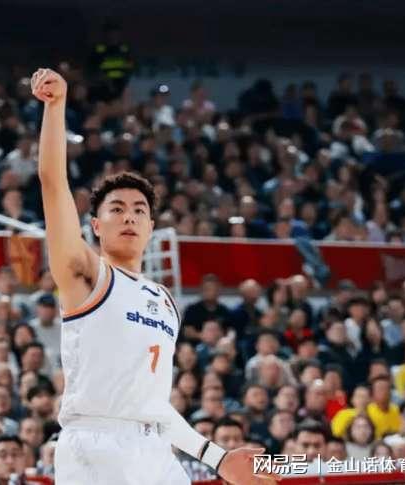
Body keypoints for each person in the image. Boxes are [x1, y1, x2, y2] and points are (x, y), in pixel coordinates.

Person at [30, 67, 275, 485]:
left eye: (139, 210)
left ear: (150, 226)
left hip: (152, 447)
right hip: (95, 444)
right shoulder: (87, 275)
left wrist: (218, 459)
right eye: (117, 209)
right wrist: (56, 108)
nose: (129, 216)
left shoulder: (163, 300)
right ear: (96, 226)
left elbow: (154, 408)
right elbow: (53, 184)